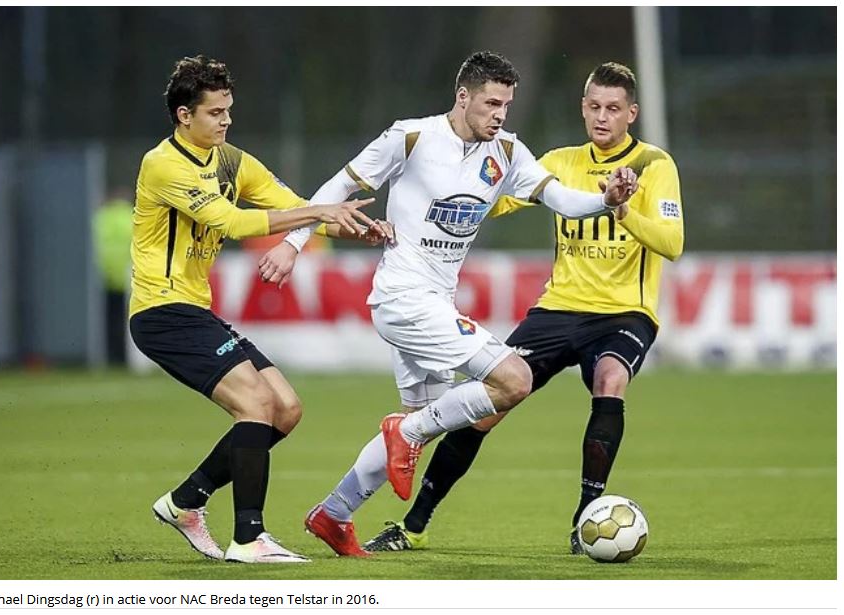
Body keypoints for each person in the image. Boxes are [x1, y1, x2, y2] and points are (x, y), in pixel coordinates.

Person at [258, 51, 638, 557]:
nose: (500, 114)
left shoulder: (506, 152)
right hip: (402, 296)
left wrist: (606, 200)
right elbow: (341, 185)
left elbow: (563, 199)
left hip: (434, 300)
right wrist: (293, 242)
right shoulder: (411, 137)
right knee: (513, 380)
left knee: (433, 417)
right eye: (490, 103)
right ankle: (405, 431)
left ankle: (334, 513)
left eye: (506, 104)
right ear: (463, 97)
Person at [360, 61, 684, 555]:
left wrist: (622, 207)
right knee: (487, 402)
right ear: (582, 107)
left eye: (613, 109)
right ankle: (413, 525)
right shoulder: (557, 160)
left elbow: (672, 242)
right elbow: (492, 198)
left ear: (632, 113)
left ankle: (585, 519)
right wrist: (433, 200)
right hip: (558, 309)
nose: (602, 117)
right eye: (594, 106)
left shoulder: (652, 165)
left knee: (610, 380)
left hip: (625, 313)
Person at [129, 55, 390, 564]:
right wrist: (320, 210)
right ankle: (249, 537)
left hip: (193, 309)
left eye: (229, 110)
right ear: (184, 116)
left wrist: (359, 229)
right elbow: (232, 222)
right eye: (214, 112)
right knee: (256, 406)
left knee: (286, 409)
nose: (226, 120)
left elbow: (289, 203)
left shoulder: (231, 159)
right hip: (161, 312)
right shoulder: (162, 164)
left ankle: (186, 501)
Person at [93, 191, 134, 365]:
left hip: (102, 277)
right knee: (126, 321)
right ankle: (124, 358)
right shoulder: (132, 215)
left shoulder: (99, 217)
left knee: (106, 320)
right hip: (128, 278)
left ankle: (110, 356)